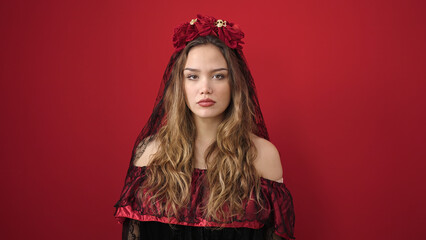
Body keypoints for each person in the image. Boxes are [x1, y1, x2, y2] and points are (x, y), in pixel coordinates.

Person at [114, 14, 295, 240]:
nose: (205, 88)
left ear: (235, 84)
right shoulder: (150, 153)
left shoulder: (263, 155)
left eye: (218, 76)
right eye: (193, 77)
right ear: (180, 84)